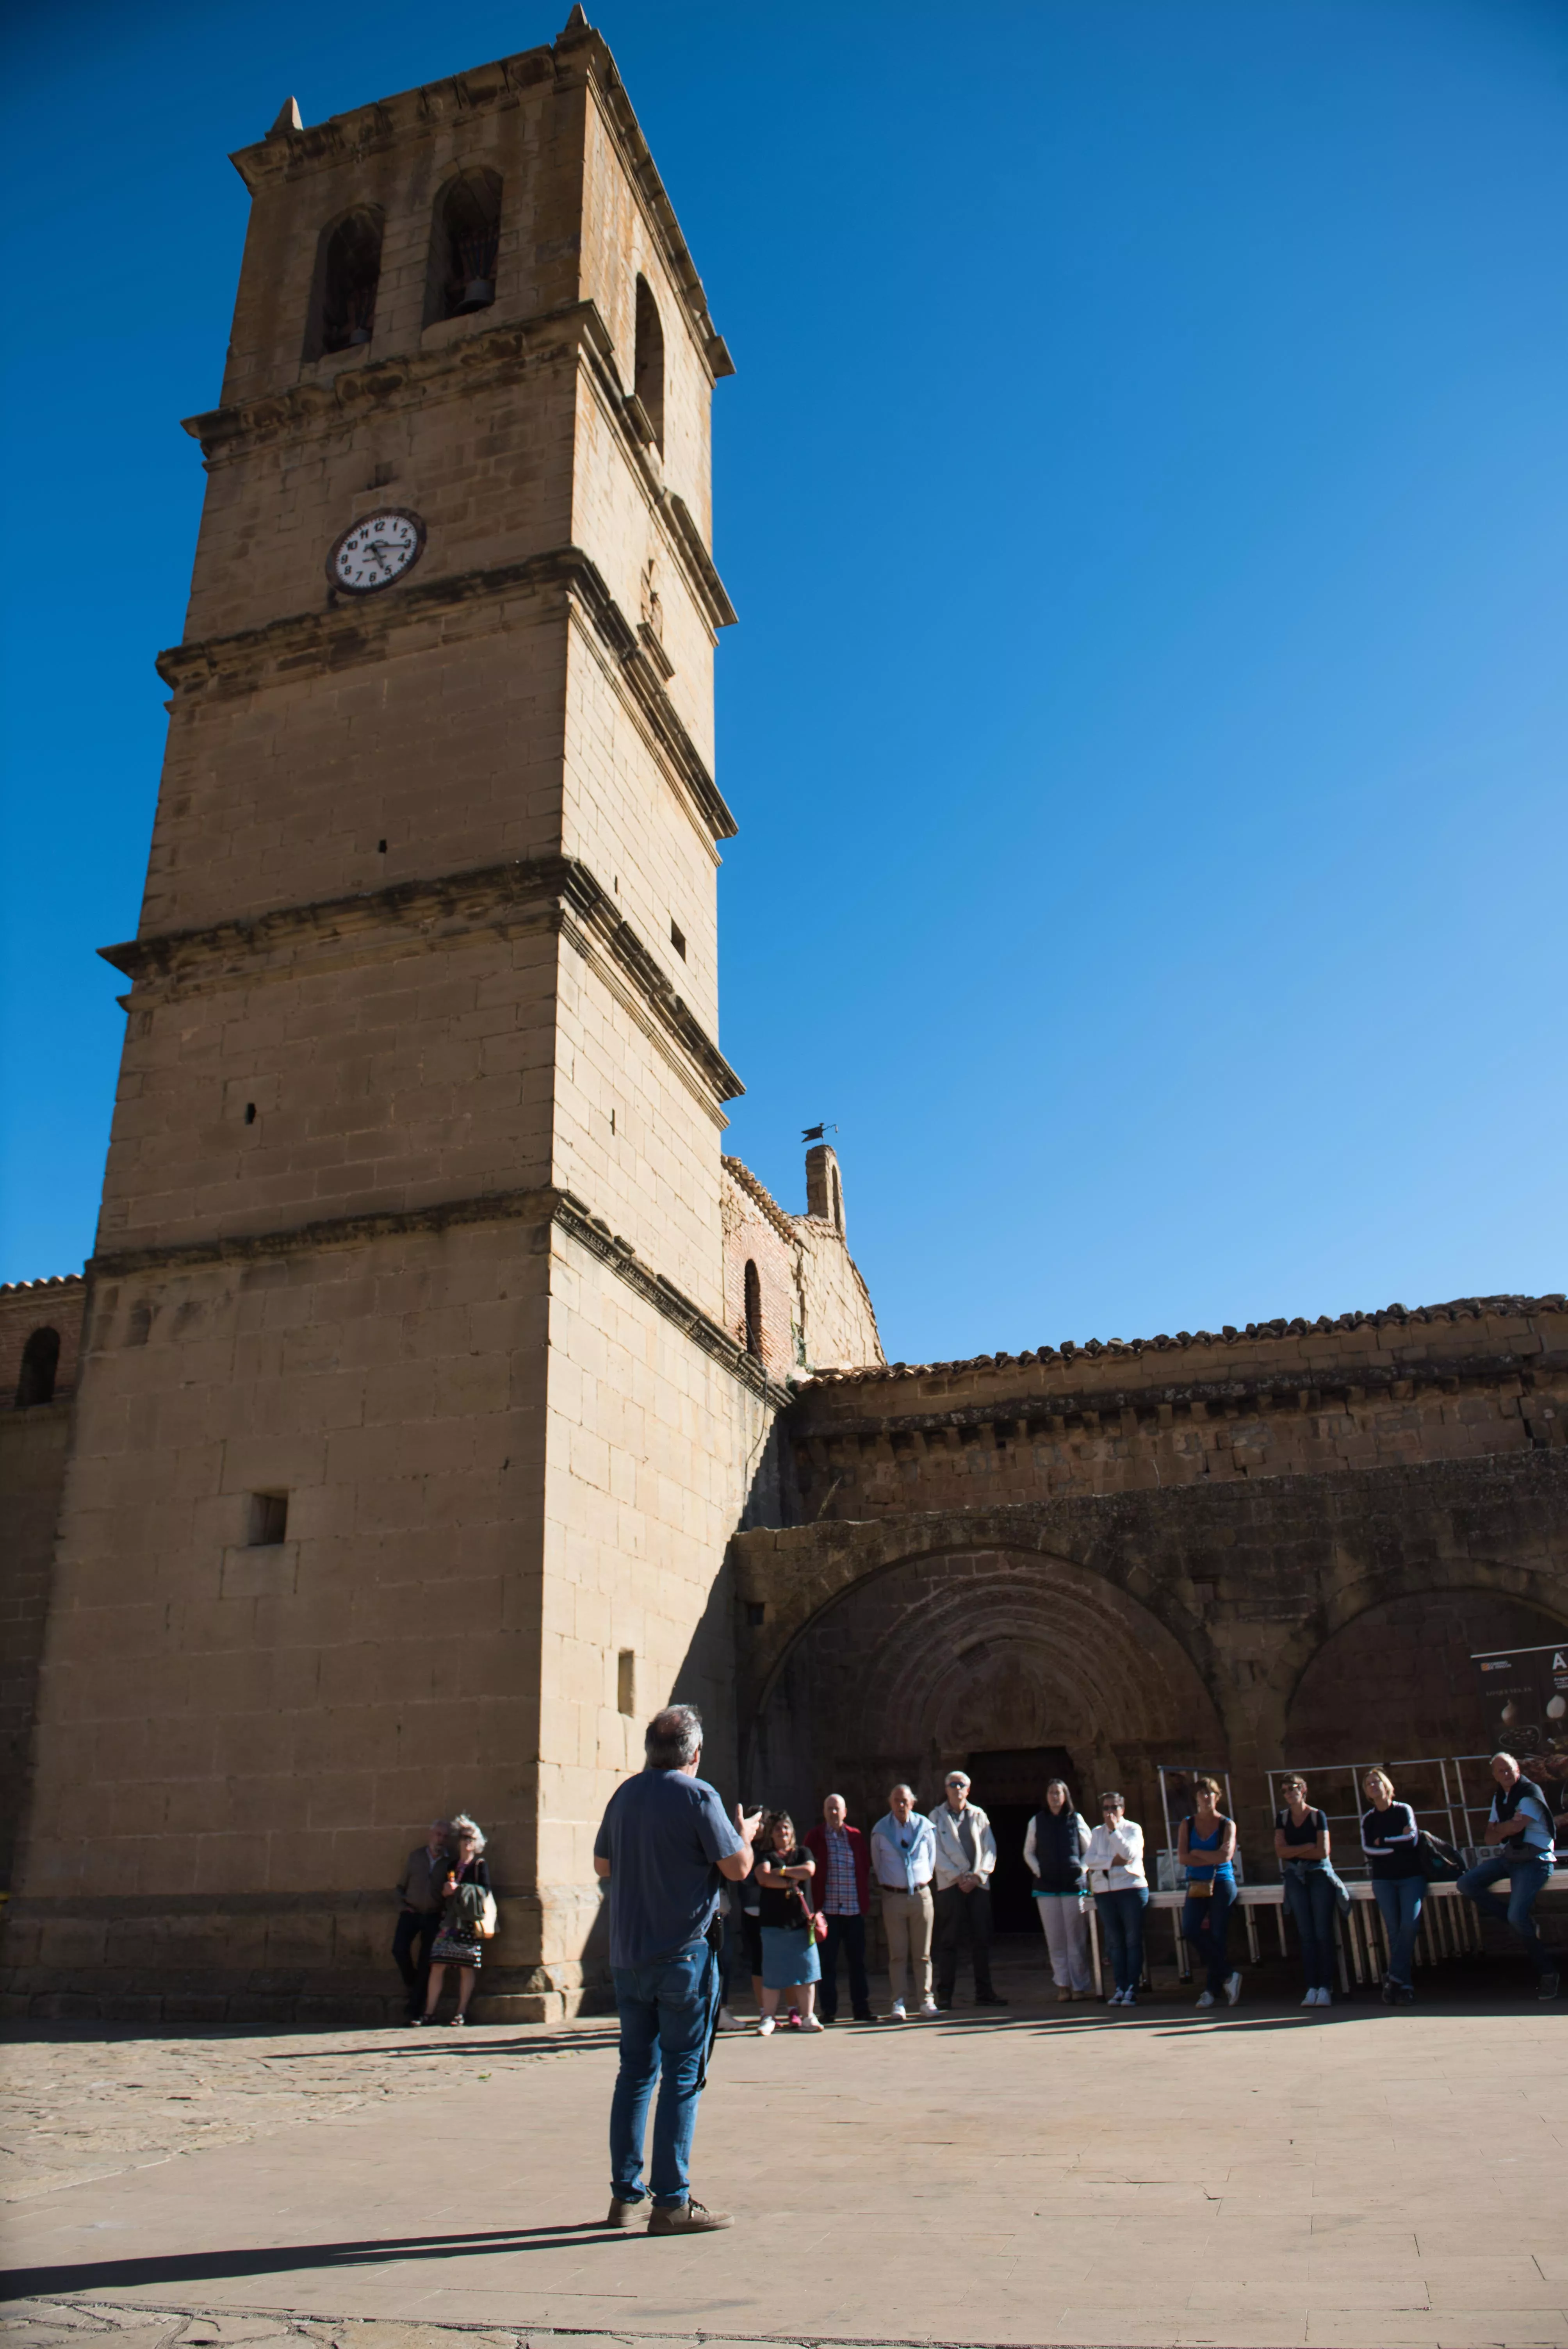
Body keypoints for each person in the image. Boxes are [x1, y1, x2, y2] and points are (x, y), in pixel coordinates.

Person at [593, 1702, 759, 2232]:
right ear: (695, 1753)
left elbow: (602, 1864)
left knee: (635, 2073)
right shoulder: (699, 1795)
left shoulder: (624, 1795)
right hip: (683, 1954)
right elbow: (737, 1868)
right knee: (683, 2073)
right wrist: (745, 1836)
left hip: (628, 1955)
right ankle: (672, 2201)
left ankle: (625, 2197)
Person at [1458, 1752, 1561, 2001]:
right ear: (1494, 1776)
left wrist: (1503, 1829)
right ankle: (1523, 1924)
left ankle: (1548, 1974)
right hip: (1511, 1858)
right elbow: (1489, 1838)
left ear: (1518, 1769)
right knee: (1467, 1883)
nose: (1507, 1774)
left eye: (1510, 1769)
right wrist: (1505, 1828)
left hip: (1535, 1860)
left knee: (1517, 1916)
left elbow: (1515, 1827)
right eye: (1501, 1771)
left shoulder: (1529, 1792)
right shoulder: (1500, 1798)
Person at [930, 1771, 1005, 2009]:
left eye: (961, 1785)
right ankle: (945, 1995)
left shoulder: (979, 1815)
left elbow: (990, 1848)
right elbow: (935, 1852)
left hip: (978, 1884)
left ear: (968, 1789)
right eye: (952, 1784)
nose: (957, 1788)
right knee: (949, 1940)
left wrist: (978, 1876)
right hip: (951, 1886)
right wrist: (958, 1876)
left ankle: (984, 1993)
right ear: (946, 1789)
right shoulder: (936, 1816)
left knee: (981, 1940)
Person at [869, 1783, 938, 2019]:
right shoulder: (880, 1831)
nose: (901, 1805)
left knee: (923, 1953)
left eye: (905, 1801)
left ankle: (926, 1999)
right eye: (897, 1801)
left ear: (913, 1803)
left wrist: (919, 1883)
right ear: (890, 1803)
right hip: (894, 1897)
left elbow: (931, 1861)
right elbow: (878, 1865)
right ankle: (899, 2001)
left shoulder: (926, 1828)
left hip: (921, 1895)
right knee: (897, 1954)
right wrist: (893, 1885)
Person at [805, 1793, 874, 2025]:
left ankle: (861, 2009)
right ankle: (829, 2011)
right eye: (830, 1809)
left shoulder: (855, 1837)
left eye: (838, 1809)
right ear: (824, 1812)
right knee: (827, 1964)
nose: (834, 1813)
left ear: (845, 1812)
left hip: (853, 1909)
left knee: (858, 1963)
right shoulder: (815, 1837)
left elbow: (864, 1868)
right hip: (828, 1912)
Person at [1023, 1779, 1093, 2000]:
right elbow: (1029, 1851)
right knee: (1055, 1938)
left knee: (1076, 1938)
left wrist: (1081, 1870)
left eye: (1059, 1793)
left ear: (1065, 1797)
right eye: (1051, 1793)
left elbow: (1088, 1850)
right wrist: (1039, 1871)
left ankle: (1080, 1985)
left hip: (1073, 1886)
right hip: (1047, 1887)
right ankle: (1063, 1984)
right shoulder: (1037, 1821)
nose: (1055, 1797)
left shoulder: (1076, 1820)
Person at [754, 1809, 823, 2032]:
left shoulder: (803, 1852)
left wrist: (782, 1872)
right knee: (773, 1973)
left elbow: (808, 1871)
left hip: (802, 1924)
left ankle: (808, 2016)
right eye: (777, 1829)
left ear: (792, 1831)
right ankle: (769, 2017)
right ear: (771, 1835)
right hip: (774, 1923)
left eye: (786, 1828)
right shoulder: (765, 1856)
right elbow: (764, 1878)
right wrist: (790, 1882)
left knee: (806, 1973)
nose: (782, 1832)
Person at [420, 1813, 490, 2026]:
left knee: (466, 1967)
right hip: (450, 1921)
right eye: (464, 1838)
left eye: (471, 1839)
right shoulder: (452, 1866)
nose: (467, 1843)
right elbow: (443, 1891)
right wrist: (445, 1891)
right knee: (438, 1963)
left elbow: (485, 1891)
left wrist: (461, 1890)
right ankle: (430, 2011)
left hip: (468, 1922)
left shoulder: (479, 1865)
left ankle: (461, 2012)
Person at [1360, 1768, 1423, 2004]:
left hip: (1410, 1877)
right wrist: (1395, 1845)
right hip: (1384, 1880)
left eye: (1376, 1781)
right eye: (1369, 1784)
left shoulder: (1403, 1810)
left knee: (1410, 1924)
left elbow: (1413, 1839)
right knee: (1394, 1932)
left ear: (1386, 1785)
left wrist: (1384, 1843)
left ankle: (1393, 1976)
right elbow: (1368, 1850)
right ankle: (1404, 1987)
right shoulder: (1369, 1819)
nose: (1373, 1786)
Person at [1178, 1775, 1242, 2009]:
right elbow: (1183, 1857)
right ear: (1196, 1798)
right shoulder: (1188, 1824)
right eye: (1202, 1793)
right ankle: (1228, 1975)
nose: (1206, 1797)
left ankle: (1210, 1991)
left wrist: (1198, 1853)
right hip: (1197, 1882)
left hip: (1222, 1881)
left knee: (1218, 1934)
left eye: (1210, 1793)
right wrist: (1209, 1855)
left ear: (1218, 1796)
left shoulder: (1227, 1824)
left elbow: (1226, 1856)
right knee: (1191, 1929)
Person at [1274, 1773, 1336, 2009]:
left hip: (1318, 1875)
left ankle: (1326, 1986)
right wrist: (1306, 1847)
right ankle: (1312, 1986)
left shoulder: (1317, 1816)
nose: (1290, 1793)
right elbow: (1280, 1852)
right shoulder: (1282, 1818)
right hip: (1295, 1877)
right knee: (1306, 1934)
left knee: (1322, 1932)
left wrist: (1296, 1851)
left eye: (1293, 1788)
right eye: (1285, 1791)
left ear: (1303, 1789)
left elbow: (1323, 1851)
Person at [1083, 1791, 1147, 2007]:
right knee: (1115, 1942)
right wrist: (1112, 1862)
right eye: (1106, 1808)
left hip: (1130, 1889)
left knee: (1132, 1940)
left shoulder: (1133, 1829)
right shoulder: (1096, 1832)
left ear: (1123, 1809)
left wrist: (1114, 1832)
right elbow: (1090, 1861)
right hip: (1105, 1892)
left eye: (1114, 1807)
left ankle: (1132, 1988)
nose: (1110, 1812)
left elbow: (1129, 1854)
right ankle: (1120, 1987)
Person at [393, 1818, 449, 2022]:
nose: (441, 1839)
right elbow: (400, 1886)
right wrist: (403, 1906)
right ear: (430, 1834)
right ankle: (413, 1982)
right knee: (399, 1949)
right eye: (438, 1834)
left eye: (445, 1836)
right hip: (412, 1912)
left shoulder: (448, 1862)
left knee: (427, 1962)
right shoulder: (416, 1857)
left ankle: (414, 2010)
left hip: (434, 1915)